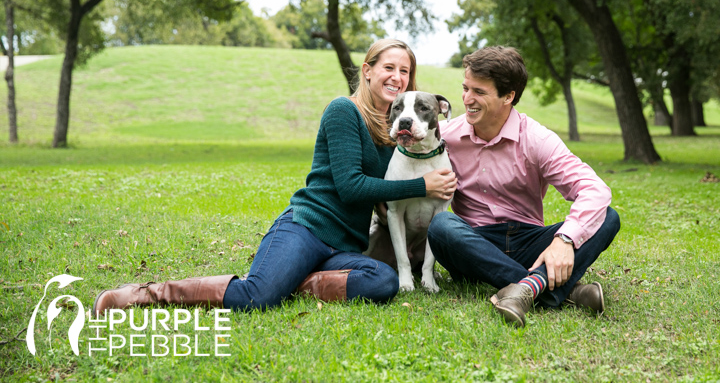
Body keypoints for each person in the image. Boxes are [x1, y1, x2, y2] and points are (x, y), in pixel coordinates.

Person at [92, 39, 457, 315]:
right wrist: (422, 186)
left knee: (383, 282)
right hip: (309, 228)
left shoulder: (399, 132)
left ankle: (294, 282)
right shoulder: (343, 110)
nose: (397, 77)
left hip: (346, 246)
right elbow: (349, 187)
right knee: (258, 297)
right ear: (367, 70)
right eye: (388, 67)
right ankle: (149, 294)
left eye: (405, 71)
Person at [427, 46, 620, 328]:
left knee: (608, 217)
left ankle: (525, 289)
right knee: (443, 225)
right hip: (472, 245)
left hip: (528, 241)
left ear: (508, 96)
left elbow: (595, 189)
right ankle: (558, 291)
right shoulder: (446, 135)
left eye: (479, 92)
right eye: (466, 88)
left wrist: (564, 241)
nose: (467, 99)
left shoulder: (536, 139)